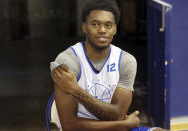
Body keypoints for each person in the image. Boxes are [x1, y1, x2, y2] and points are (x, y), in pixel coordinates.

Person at [50, 0, 168, 130]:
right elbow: (69, 125)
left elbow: (117, 114)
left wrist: (76, 90)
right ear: (84, 27)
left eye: (108, 25)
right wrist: (123, 124)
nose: (102, 30)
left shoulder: (125, 61)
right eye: (95, 24)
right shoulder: (68, 61)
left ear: (115, 29)